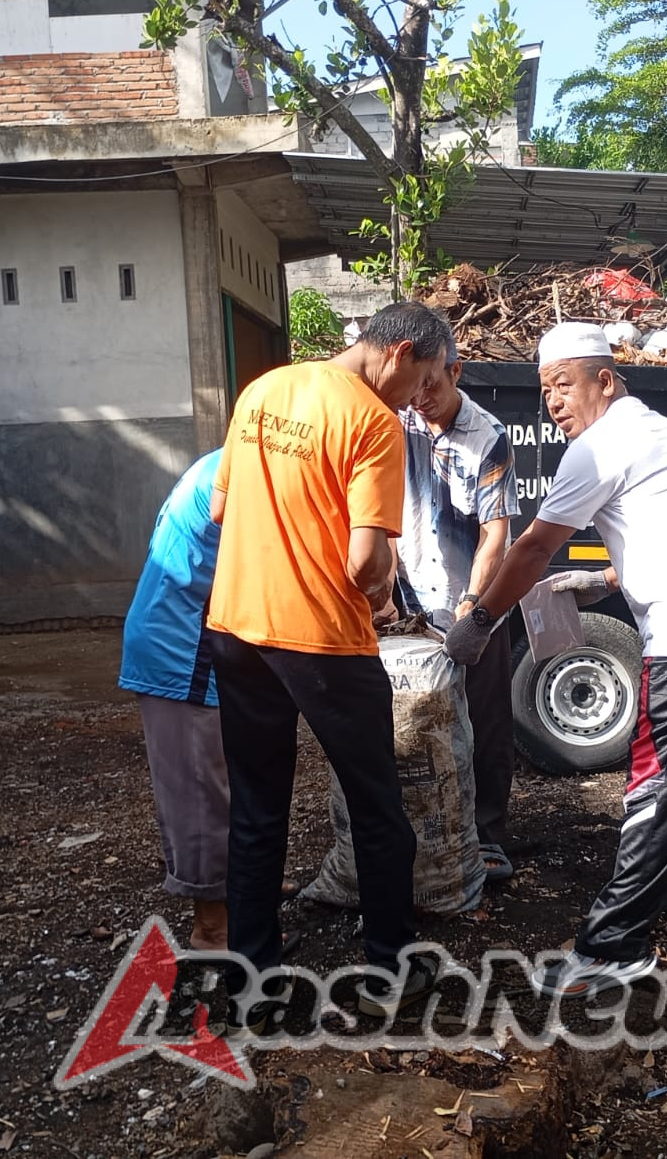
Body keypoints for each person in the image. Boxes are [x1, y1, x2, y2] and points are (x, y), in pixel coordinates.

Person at [445, 322, 667, 998]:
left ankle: (614, 944)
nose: (554, 404)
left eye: (564, 385)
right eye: (545, 391)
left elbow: (532, 548)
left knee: (656, 783)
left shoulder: (598, 448)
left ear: (605, 379)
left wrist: (480, 621)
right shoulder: (659, 432)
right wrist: (604, 581)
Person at [207, 301, 455, 1017]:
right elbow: (362, 563)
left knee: (257, 809)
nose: (419, 398)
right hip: (321, 639)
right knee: (379, 807)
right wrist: (382, 588)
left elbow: (222, 510)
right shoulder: (374, 422)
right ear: (402, 352)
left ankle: (251, 984)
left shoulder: (263, 389)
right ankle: (390, 969)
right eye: (426, 378)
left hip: (237, 625)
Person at [118, 451, 299, 954]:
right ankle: (213, 928)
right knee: (201, 795)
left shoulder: (241, 457)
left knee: (229, 776)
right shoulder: (249, 471)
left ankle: (239, 888)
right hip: (184, 647)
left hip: (201, 639)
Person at [395, 352, 522, 882]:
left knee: (485, 717)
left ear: (457, 372)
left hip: (471, 595)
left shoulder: (487, 437)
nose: (421, 398)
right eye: (413, 387)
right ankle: (420, 827)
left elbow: (496, 533)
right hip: (408, 598)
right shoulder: (396, 417)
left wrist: (473, 610)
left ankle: (487, 832)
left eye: (432, 386)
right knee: (415, 719)